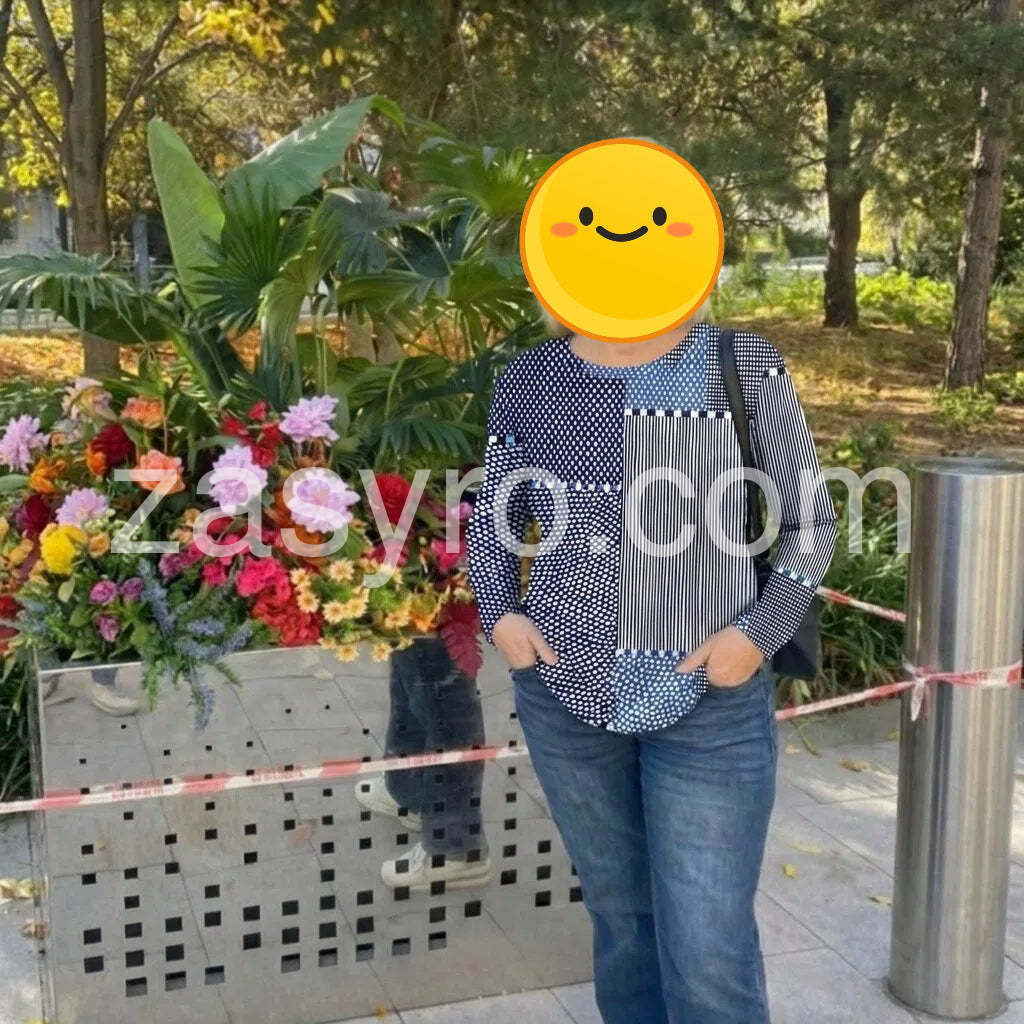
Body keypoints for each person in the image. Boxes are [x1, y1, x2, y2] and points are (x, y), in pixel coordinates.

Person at [465, 302, 836, 1024]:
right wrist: (501, 613)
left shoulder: (740, 363)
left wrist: (757, 635)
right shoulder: (531, 376)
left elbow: (810, 519)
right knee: (622, 920)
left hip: (710, 700)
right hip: (565, 696)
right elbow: (495, 518)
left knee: (708, 946)